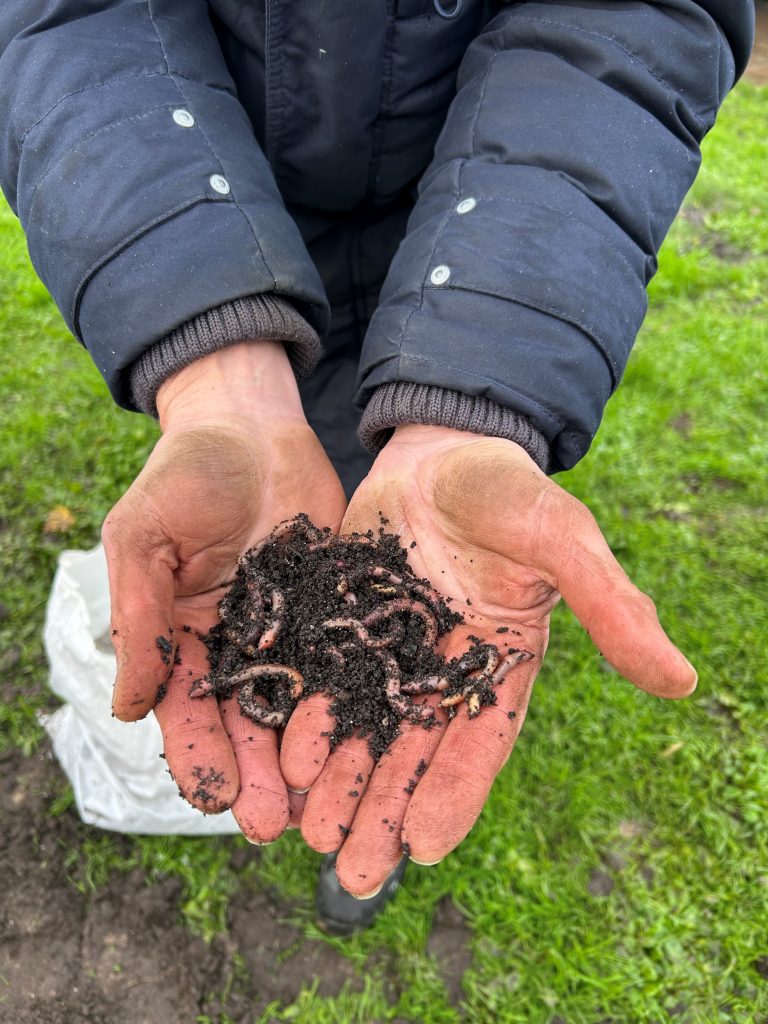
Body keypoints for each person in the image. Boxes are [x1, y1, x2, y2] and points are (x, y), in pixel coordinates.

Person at [0, 1, 754, 933]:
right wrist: (216, 371)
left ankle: (363, 812)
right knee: (298, 477)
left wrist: (486, 389)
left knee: (406, 512)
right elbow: (68, 22)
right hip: (227, 199)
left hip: (480, 219)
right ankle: (326, 772)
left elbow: (631, 25)